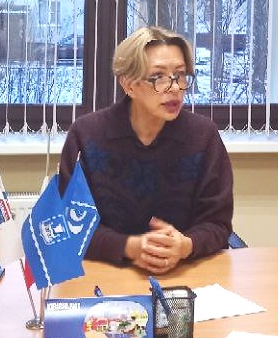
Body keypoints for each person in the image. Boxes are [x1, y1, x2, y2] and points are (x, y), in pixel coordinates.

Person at [59, 26, 234, 274]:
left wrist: (185, 245)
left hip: (185, 273)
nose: (175, 88)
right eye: (158, 77)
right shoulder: (87, 135)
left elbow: (218, 223)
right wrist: (129, 247)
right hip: (106, 273)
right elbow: (71, 224)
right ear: (129, 85)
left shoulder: (203, 136)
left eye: (180, 75)